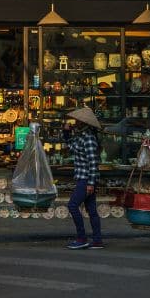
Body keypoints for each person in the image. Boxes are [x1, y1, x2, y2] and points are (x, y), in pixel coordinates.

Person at [63, 107, 104, 250]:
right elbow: (71, 146)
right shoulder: (81, 136)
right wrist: (66, 132)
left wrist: (91, 183)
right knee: (91, 210)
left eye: (77, 120)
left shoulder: (89, 139)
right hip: (83, 178)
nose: (75, 122)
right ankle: (97, 240)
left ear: (83, 122)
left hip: (86, 179)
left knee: (72, 206)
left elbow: (93, 163)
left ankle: (82, 238)